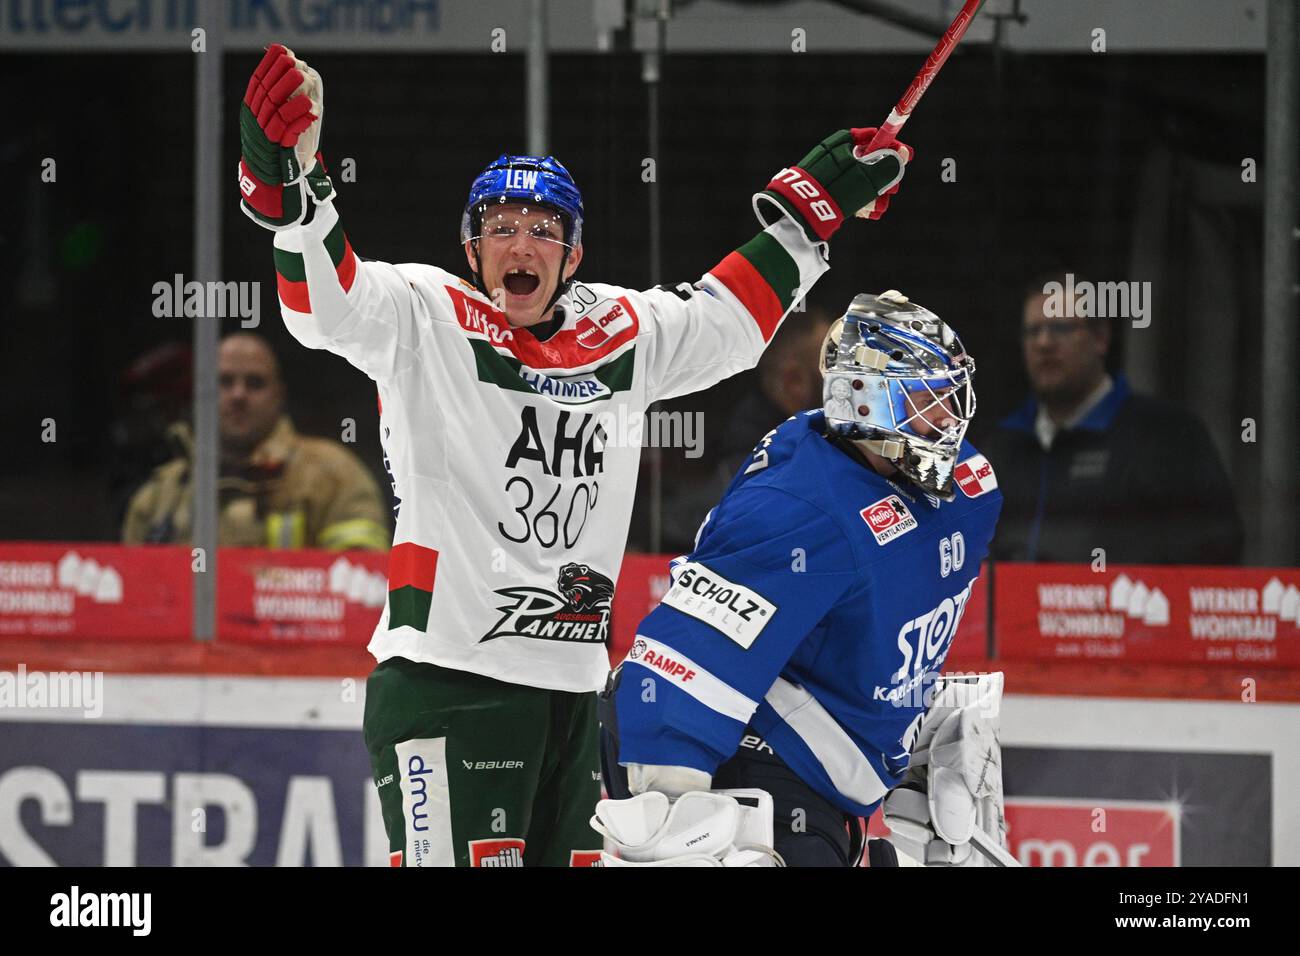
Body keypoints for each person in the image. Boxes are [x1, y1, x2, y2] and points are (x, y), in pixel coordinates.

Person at [236, 44, 913, 866]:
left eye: (543, 230)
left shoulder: (618, 331)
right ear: (471, 246)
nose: (521, 244)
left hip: (576, 695)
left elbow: (726, 324)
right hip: (449, 679)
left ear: (573, 254)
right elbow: (325, 307)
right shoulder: (424, 314)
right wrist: (296, 204)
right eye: (500, 228)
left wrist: (809, 223)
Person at [594, 291, 1006, 867]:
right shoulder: (797, 511)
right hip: (748, 753)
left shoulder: (968, 486)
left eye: (950, 397)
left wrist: (917, 718)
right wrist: (672, 811)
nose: (947, 419)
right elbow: (679, 667)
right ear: (864, 401)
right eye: (925, 398)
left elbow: (878, 614)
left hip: (827, 763)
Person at [981, 275, 1242, 564]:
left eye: (1061, 328)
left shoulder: (1167, 434)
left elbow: (1214, 552)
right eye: (1032, 331)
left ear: (1101, 338)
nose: (1043, 343)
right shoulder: (1003, 446)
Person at [121, 333, 389, 551]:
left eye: (255, 383)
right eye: (224, 381)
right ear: (199, 393)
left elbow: (360, 587)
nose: (239, 395)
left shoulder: (333, 475)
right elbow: (132, 600)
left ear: (279, 395)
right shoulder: (159, 496)